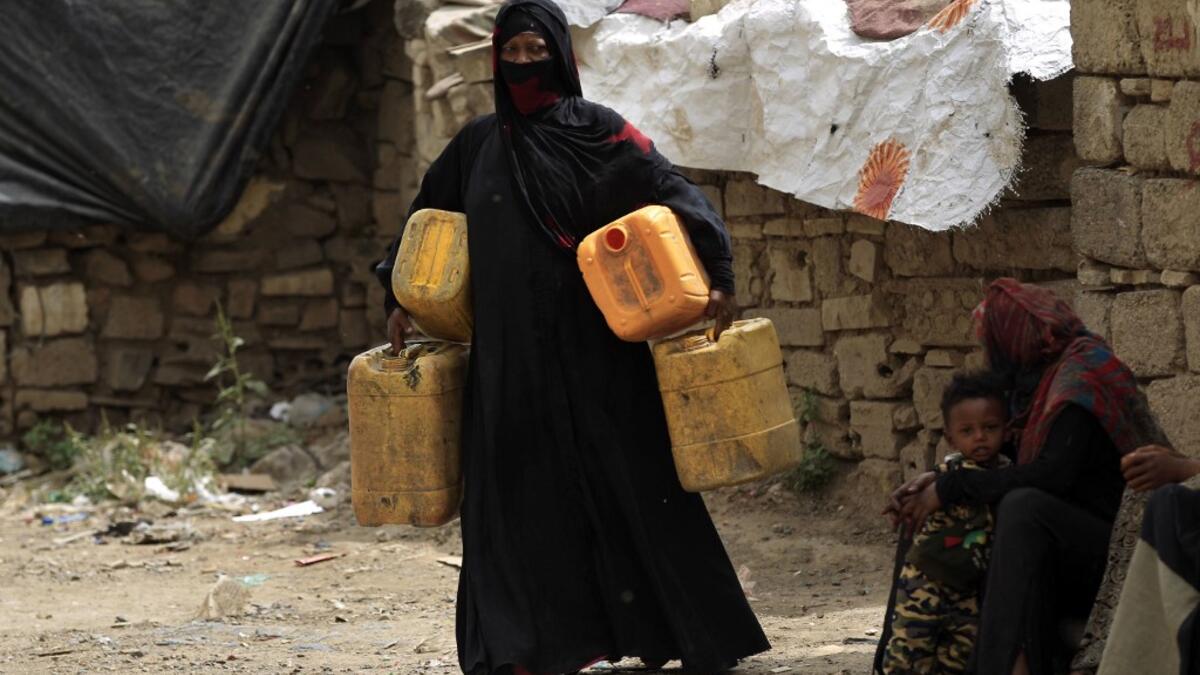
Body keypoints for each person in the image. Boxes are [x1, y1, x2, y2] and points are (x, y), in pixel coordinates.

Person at [373, 1, 770, 673]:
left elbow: (670, 190)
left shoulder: (601, 133)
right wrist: (397, 293)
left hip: (597, 350)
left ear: (559, 52)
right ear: (496, 59)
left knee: (636, 486)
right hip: (507, 364)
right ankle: (525, 646)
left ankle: (688, 633)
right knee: (515, 503)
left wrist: (719, 274)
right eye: (514, 53)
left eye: (537, 51)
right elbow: (426, 221)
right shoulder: (477, 145)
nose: (526, 65)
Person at [884, 278, 1161, 675]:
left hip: (1118, 545)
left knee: (1022, 507)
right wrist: (938, 480)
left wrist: (954, 486)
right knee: (946, 509)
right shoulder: (1035, 381)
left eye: (993, 341)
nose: (990, 352)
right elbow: (1007, 456)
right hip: (1063, 535)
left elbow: (1051, 476)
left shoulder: (1077, 381)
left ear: (1015, 338)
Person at [880, 371, 1011, 674]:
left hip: (967, 591)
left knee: (958, 658)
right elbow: (918, 497)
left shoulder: (1007, 473)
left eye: (989, 428)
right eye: (968, 431)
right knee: (909, 653)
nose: (979, 437)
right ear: (951, 437)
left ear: (1006, 430)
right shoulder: (949, 472)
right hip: (925, 582)